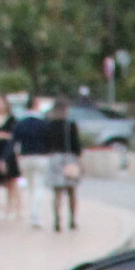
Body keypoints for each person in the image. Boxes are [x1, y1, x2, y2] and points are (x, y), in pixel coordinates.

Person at [43, 99, 82, 232]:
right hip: (69, 158)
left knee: (57, 192)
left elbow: (46, 145)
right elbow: (77, 145)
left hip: (54, 158)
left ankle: (57, 220)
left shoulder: (49, 125)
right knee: (72, 191)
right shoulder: (70, 125)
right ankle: (72, 220)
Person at [12, 106, 52, 228]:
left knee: (30, 187)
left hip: (25, 157)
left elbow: (14, 142)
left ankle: (32, 213)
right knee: (38, 187)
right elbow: (49, 140)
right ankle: (35, 216)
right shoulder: (43, 124)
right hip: (41, 157)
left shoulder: (20, 124)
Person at [0, 98, 23, 221]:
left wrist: (4, 136)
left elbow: (15, 136)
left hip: (8, 152)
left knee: (12, 181)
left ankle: (14, 207)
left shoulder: (11, 120)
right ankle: (7, 206)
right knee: (2, 181)